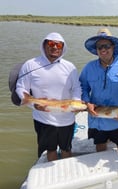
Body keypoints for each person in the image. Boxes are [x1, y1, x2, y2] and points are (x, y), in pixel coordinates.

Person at [16, 32, 82, 161]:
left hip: (66, 120)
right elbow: (20, 87)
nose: (55, 47)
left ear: (63, 47)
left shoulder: (70, 67)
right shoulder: (30, 65)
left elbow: (77, 88)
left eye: (59, 45)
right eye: (51, 43)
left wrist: (77, 101)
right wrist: (32, 104)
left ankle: (67, 175)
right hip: (43, 119)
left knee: (66, 149)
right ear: (44, 45)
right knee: (49, 151)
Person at [79, 28, 118, 179]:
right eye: (100, 47)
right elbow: (83, 87)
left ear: (113, 47)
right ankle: (103, 176)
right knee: (100, 146)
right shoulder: (89, 68)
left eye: (107, 46)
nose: (103, 50)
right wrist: (87, 102)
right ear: (96, 50)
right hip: (98, 119)